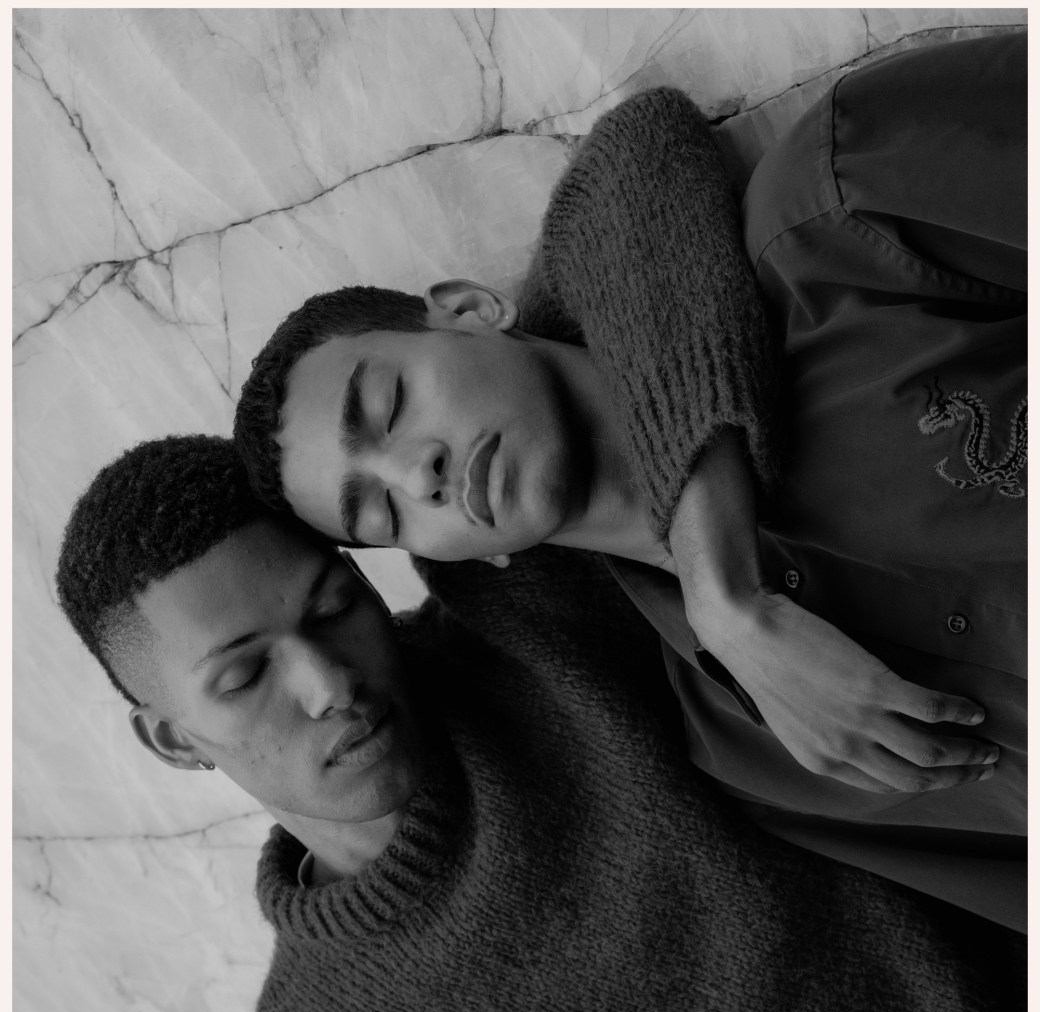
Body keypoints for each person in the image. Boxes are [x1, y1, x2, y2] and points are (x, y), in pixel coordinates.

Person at [55, 435, 1025, 1012]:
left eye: (333, 607)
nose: (327, 684)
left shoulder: (530, 611)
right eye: (243, 675)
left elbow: (634, 286)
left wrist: (727, 597)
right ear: (172, 739)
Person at [232, 32, 1026, 930]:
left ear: (469, 309)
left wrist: (728, 596)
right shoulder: (753, 755)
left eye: (389, 405)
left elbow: (638, 155)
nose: (419, 473)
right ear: (467, 561)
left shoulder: (839, 222)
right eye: (382, 512)